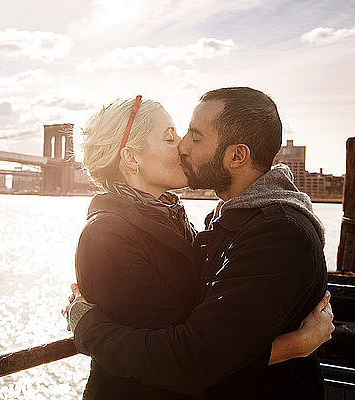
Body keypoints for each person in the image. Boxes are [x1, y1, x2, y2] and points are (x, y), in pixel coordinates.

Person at [67, 89, 333, 399]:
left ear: (237, 156)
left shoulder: (272, 229)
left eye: (193, 136)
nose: (182, 146)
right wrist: (292, 346)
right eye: (171, 138)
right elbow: (187, 357)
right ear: (130, 157)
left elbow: (197, 354)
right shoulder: (109, 235)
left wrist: (87, 327)